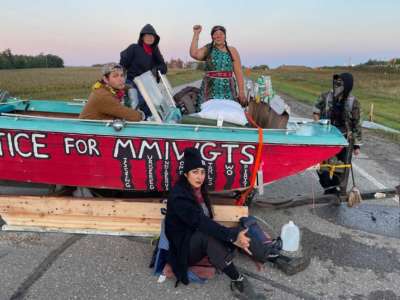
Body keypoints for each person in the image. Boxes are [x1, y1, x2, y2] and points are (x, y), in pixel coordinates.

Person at [165, 147, 266, 300]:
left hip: (196, 235)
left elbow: (207, 221)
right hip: (184, 248)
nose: (200, 177)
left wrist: (233, 235)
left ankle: (271, 255)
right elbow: (201, 222)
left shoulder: (198, 189)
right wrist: (231, 236)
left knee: (242, 228)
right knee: (210, 237)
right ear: (186, 174)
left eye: (202, 172)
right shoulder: (179, 197)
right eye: (195, 172)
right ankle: (238, 279)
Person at [312, 72, 362, 195]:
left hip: (344, 139)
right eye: (336, 82)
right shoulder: (325, 96)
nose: (337, 85)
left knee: (340, 166)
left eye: (340, 83)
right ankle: (327, 186)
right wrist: (319, 124)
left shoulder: (353, 102)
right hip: (326, 137)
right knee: (322, 164)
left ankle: (334, 188)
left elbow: (357, 124)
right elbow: (315, 111)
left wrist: (356, 145)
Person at [190, 25, 246, 111]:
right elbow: (194, 54)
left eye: (221, 34)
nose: (218, 36)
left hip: (228, 89)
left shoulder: (232, 50)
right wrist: (196, 34)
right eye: (215, 34)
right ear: (212, 37)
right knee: (207, 112)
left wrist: (241, 92)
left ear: (225, 36)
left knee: (229, 112)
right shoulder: (208, 49)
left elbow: (238, 72)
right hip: (209, 88)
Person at [120, 24, 168, 117]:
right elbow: (122, 64)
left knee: (153, 106)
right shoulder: (134, 48)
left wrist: (155, 70)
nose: (150, 38)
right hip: (132, 84)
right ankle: (135, 123)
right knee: (136, 105)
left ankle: (149, 123)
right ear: (142, 37)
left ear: (155, 38)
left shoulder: (154, 51)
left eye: (152, 36)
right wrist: (121, 82)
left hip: (147, 84)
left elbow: (163, 67)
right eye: (147, 35)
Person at [79, 63, 144, 121]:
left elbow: (126, 86)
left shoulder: (107, 87)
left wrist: (133, 89)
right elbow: (134, 117)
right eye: (115, 76)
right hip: (88, 131)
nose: (121, 79)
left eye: (122, 75)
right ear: (105, 79)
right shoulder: (103, 96)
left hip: (101, 129)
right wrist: (142, 115)